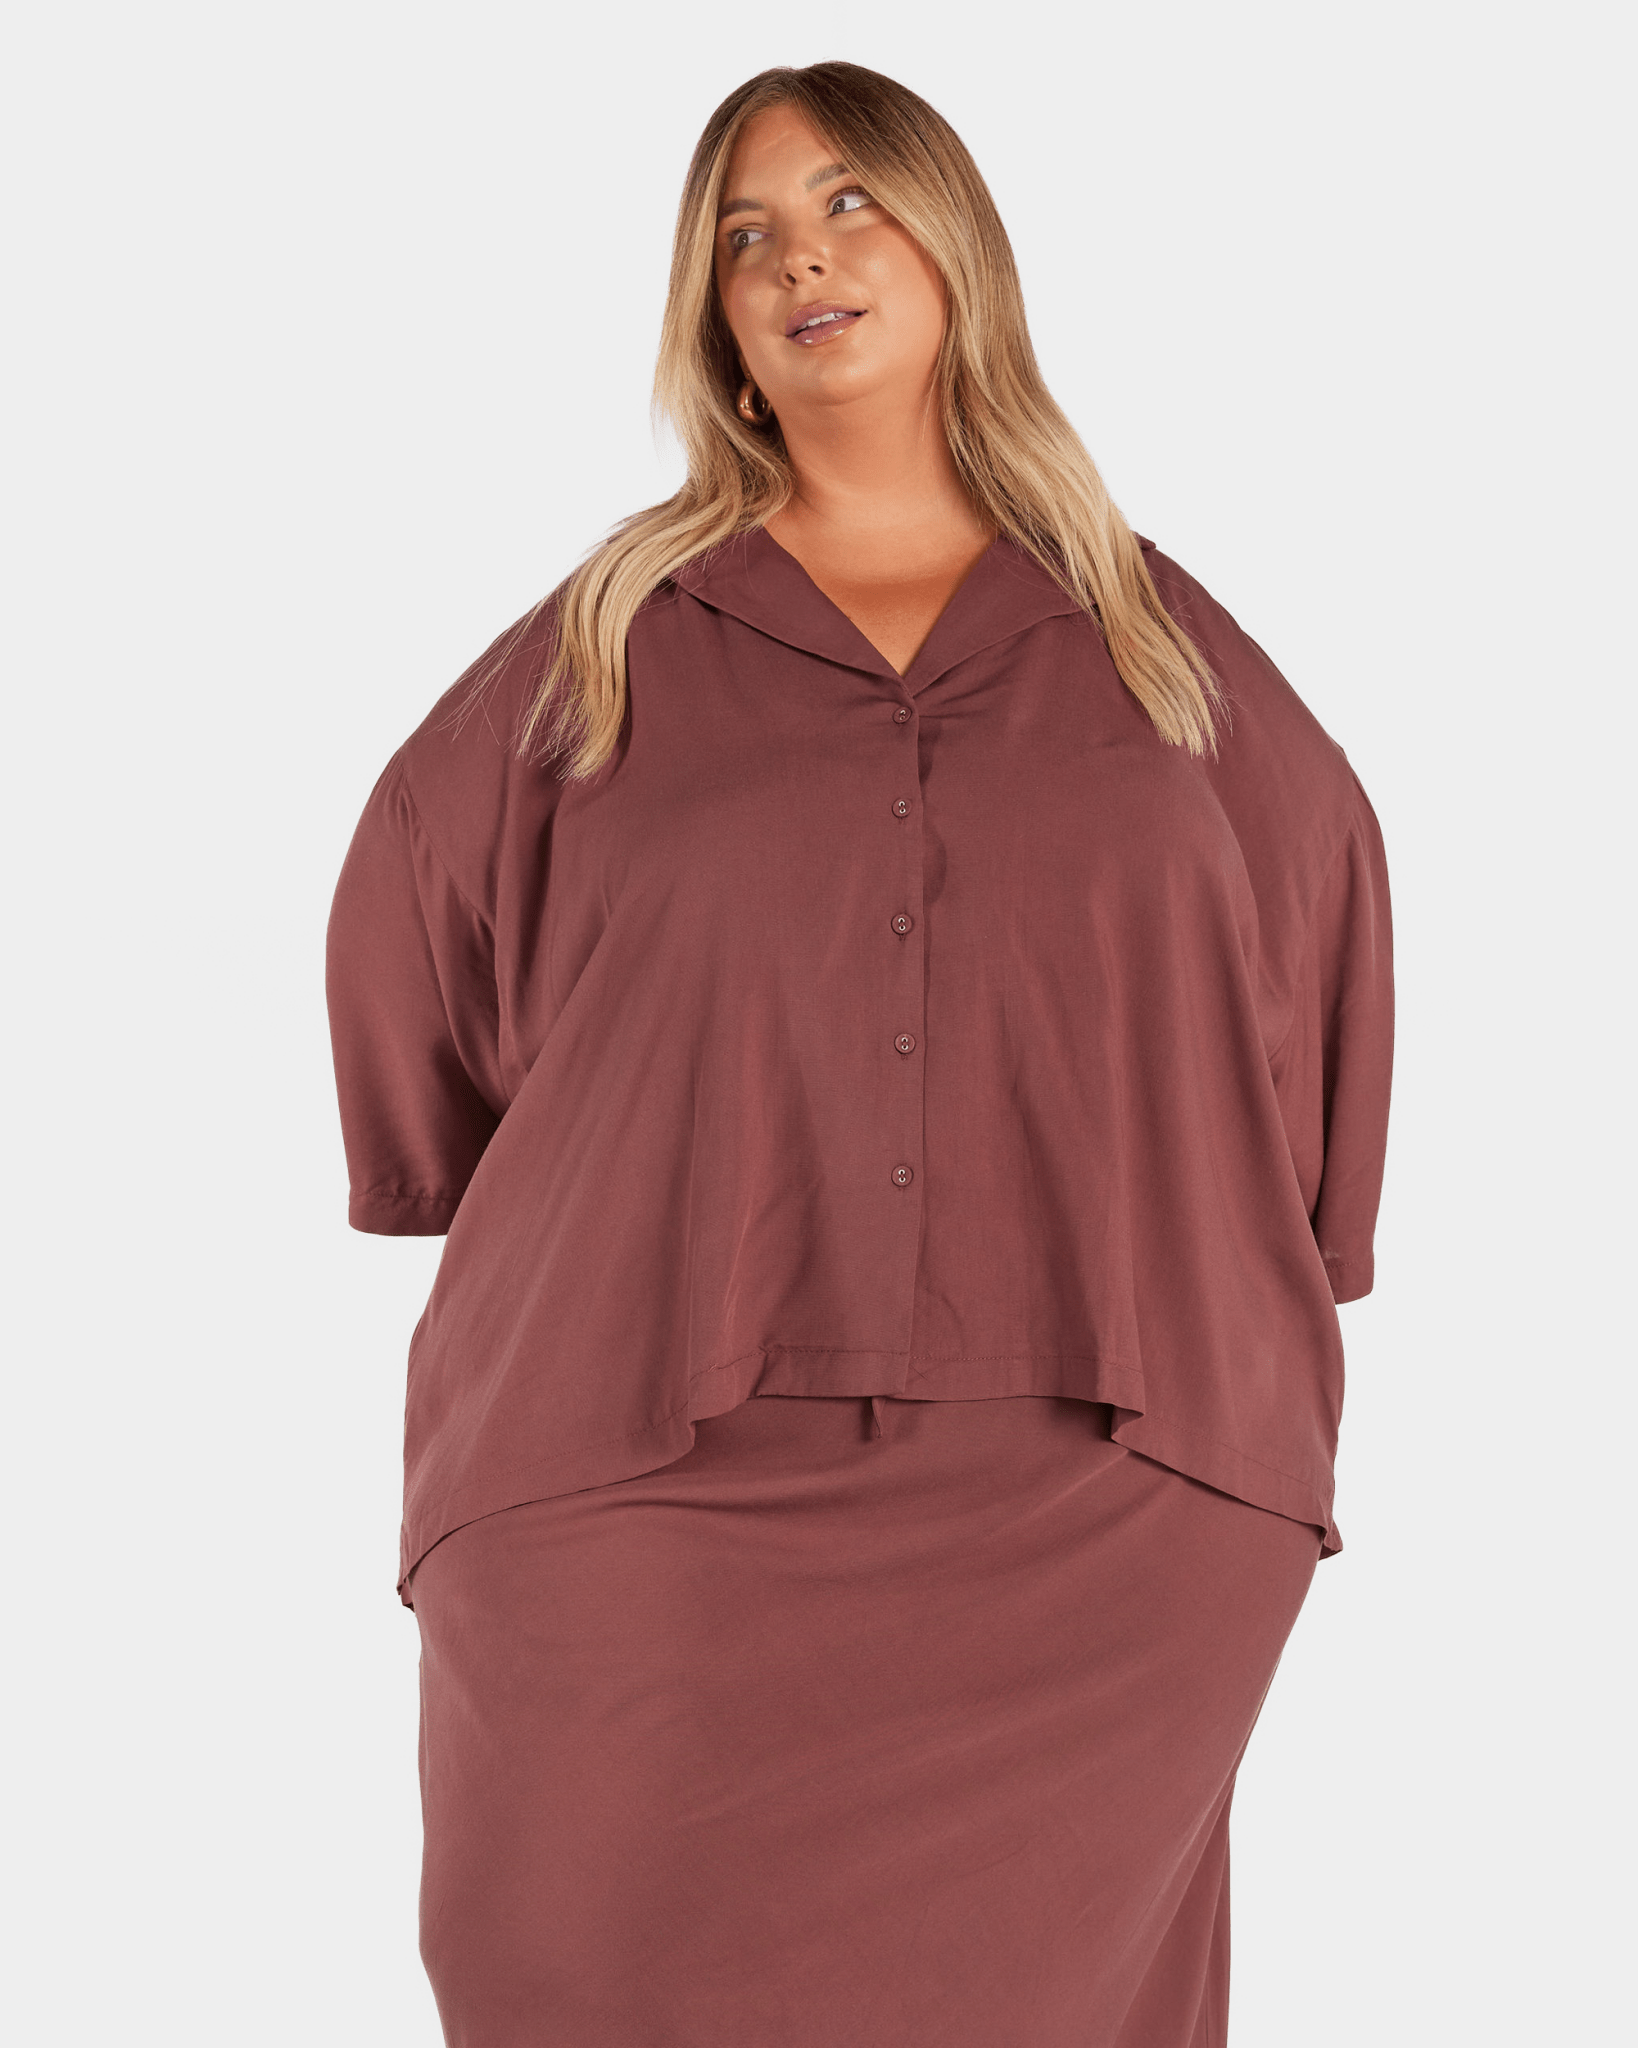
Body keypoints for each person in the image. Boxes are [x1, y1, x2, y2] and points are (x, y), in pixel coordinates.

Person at [325, 59, 1394, 2048]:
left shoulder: (1157, 644)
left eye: (847, 205)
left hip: (1101, 1481)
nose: (798, 260)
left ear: (955, 245)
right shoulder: (605, 642)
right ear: (714, 320)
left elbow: (1325, 928)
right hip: (632, 1454)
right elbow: (412, 907)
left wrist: (1293, 1254)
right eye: (745, 238)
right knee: (568, 1964)